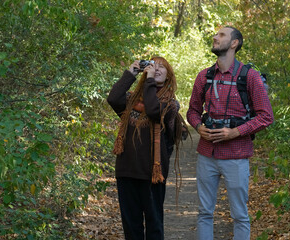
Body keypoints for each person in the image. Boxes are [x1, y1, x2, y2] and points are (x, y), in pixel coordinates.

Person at [186, 26, 274, 239]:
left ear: (234, 43)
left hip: (237, 155)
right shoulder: (204, 76)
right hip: (207, 154)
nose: (215, 37)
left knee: (239, 215)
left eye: (222, 35)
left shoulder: (249, 77)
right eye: (216, 34)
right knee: (204, 212)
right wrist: (199, 127)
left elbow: (266, 116)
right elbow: (193, 111)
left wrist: (235, 132)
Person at [107, 56, 187, 240]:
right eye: (152, 65)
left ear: (168, 76)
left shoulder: (171, 105)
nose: (156, 68)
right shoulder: (131, 100)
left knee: (154, 225)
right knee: (131, 226)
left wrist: (149, 80)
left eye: (162, 66)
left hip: (152, 173)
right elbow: (113, 98)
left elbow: (152, 110)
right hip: (127, 171)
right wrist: (130, 74)